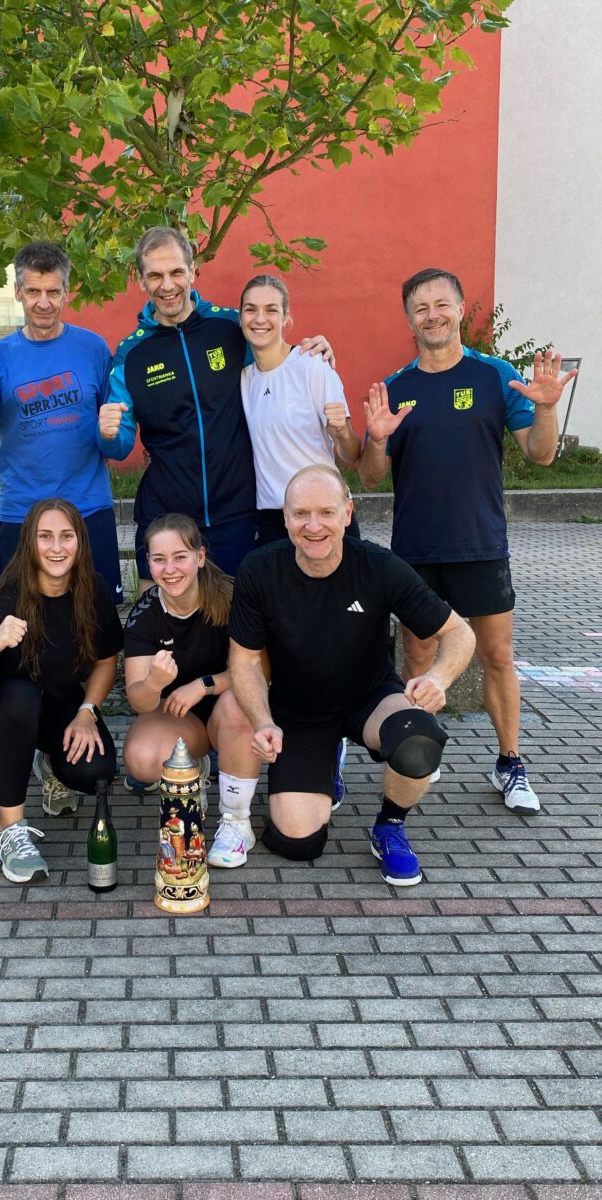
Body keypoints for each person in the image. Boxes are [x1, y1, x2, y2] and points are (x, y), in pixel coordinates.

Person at [359, 267, 578, 814]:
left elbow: (541, 455)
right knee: (416, 653)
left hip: (481, 545)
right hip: (415, 549)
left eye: (442, 304)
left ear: (460, 309)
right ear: (409, 318)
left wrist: (546, 407)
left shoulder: (494, 375)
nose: (432, 315)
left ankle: (510, 763)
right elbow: (369, 477)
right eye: (420, 308)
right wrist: (377, 441)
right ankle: (417, 752)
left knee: (497, 654)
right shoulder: (396, 388)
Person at [229, 466, 476, 887]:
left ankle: (390, 826)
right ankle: (327, 762)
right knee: (298, 841)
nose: (313, 526)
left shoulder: (378, 566)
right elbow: (246, 661)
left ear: (347, 512)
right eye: (301, 514)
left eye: (326, 512)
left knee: (418, 739)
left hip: (370, 698)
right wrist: (263, 722)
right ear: (285, 517)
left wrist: (438, 678)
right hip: (300, 712)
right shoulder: (258, 570)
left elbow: (459, 632)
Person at [97, 226, 333, 583]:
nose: (167, 285)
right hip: (167, 518)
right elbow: (119, 444)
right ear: (141, 281)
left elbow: (278, 360)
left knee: (242, 613)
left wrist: (313, 349)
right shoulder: (131, 353)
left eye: (176, 272)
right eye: (155, 276)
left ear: (192, 271)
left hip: (237, 512)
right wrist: (108, 434)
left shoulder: (230, 327)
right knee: (158, 613)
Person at [0, 499, 122, 884]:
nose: (56, 547)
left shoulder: (92, 589)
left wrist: (87, 712)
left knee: (96, 771)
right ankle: (9, 831)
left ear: (80, 542)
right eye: (45, 537)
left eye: (66, 536)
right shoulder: (8, 596)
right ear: (30, 542)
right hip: (2, 713)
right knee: (22, 697)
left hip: (58, 702)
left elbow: (105, 660)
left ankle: (49, 763)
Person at [0, 241, 122, 602]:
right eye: (33, 292)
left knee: (97, 617)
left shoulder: (94, 348)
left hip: (88, 508)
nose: (43, 302)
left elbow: (114, 433)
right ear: (17, 292)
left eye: (52, 292)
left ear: (66, 292)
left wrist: (112, 434)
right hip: (21, 513)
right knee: (17, 617)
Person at [122, 514, 262, 868]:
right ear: (148, 563)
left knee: (238, 703)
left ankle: (236, 822)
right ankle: (196, 767)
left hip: (228, 704)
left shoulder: (232, 596)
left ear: (200, 556)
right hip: (180, 717)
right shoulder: (145, 613)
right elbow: (138, 700)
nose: (170, 569)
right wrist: (153, 683)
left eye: (179, 557)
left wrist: (204, 685)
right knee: (141, 759)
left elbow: (262, 670)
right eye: (159, 559)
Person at [239, 274, 361, 543]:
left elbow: (352, 453)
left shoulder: (312, 365)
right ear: (240, 317)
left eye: (271, 310)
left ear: (286, 317)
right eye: (251, 309)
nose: (260, 319)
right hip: (273, 517)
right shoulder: (244, 379)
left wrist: (341, 433)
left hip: (323, 512)